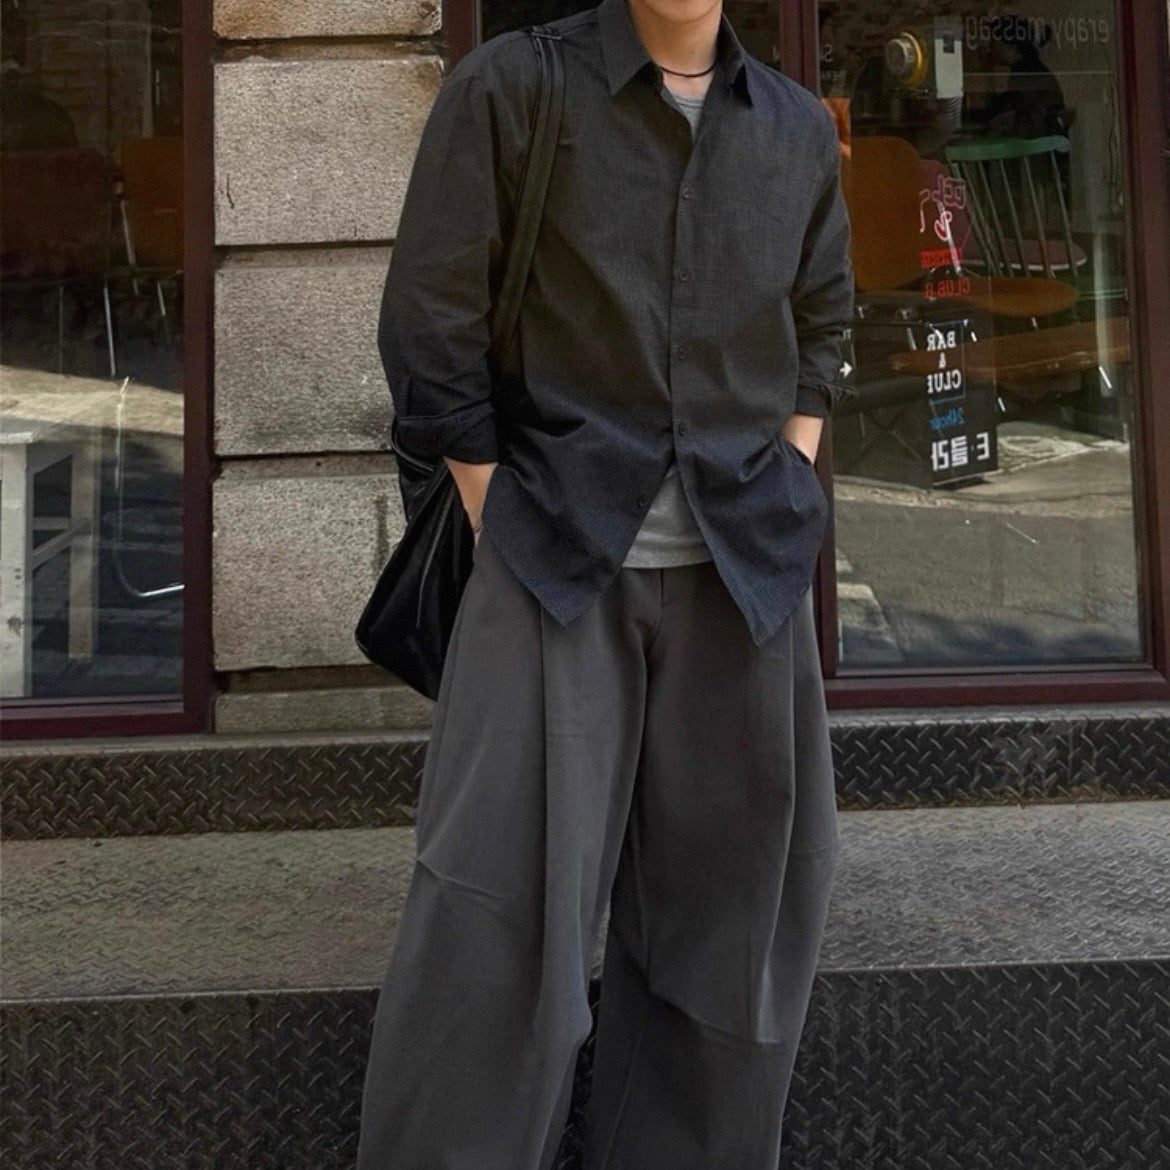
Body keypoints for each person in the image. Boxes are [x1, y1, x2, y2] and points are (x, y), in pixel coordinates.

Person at [356, 0, 855, 1166]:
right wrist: (495, 506)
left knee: (738, 921)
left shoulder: (792, 126)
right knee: (493, 924)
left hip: (743, 574)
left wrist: (792, 465)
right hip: (554, 561)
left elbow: (823, 319)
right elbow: (430, 319)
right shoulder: (511, 88)